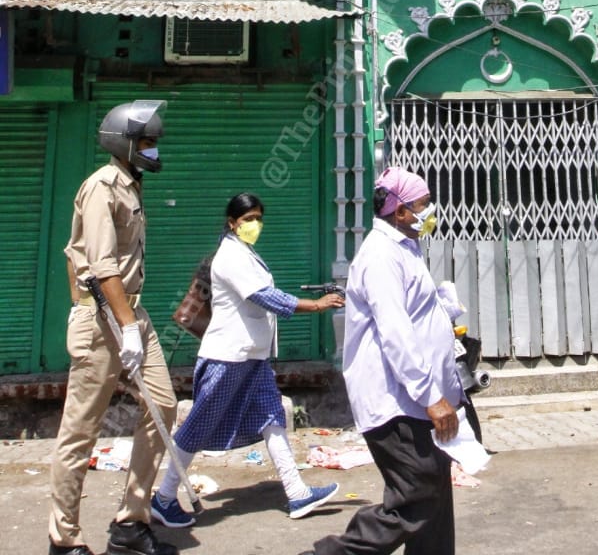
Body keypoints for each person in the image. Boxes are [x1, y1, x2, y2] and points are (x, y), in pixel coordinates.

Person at [151, 192, 344, 526]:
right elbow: (263, 296)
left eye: (258, 218)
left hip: (252, 357)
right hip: (228, 357)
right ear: (232, 223)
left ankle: (297, 493)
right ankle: (163, 498)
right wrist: (316, 305)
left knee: (272, 418)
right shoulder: (230, 257)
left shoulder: (245, 253)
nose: (255, 224)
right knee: (198, 425)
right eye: (248, 219)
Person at [307, 166, 464, 555]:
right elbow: (396, 333)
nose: (430, 212)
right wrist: (431, 396)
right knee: (417, 495)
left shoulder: (404, 248)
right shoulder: (380, 256)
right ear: (400, 212)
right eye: (423, 205)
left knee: (436, 497)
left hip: (418, 397)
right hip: (396, 401)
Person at [48, 99, 179, 555]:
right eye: (146, 141)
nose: (153, 149)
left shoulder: (131, 184)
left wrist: (132, 324)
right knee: (80, 431)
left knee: (163, 406)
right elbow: (103, 267)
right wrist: (125, 330)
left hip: (131, 314)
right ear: (123, 142)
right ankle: (63, 539)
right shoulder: (102, 187)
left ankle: (131, 522)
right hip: (101, 316)